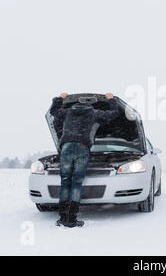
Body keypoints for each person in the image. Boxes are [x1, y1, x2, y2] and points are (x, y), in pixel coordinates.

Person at [49, 93, 119, 227]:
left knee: (65, 182)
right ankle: (72, 218)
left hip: (67, 147)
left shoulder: (68, 112)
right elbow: (114, 113)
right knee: (76, 182)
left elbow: (53, 111)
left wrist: (60, 98)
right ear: (89, 106)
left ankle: (63, 217)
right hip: (82, 147)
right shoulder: (93, 112)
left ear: (75, 105)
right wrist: (111, 99)